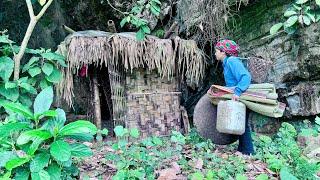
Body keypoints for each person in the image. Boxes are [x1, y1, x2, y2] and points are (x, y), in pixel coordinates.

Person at [214, 39, 254, 155]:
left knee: (243, 124)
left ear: (223, 52)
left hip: (242, 96)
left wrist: (237, 92)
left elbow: (246, 77)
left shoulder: (232, 61)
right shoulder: (226, 63)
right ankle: (242, 149)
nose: (215, 53)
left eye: (216, 51)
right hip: (237, 95)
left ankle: (248, 152)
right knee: (240, 122)